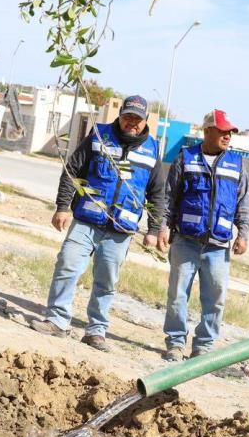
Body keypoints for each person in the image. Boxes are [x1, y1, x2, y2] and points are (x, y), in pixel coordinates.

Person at [30, 95, 165, 351]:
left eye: (137, 119)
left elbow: (158, 193)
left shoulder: (152, 150)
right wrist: (62, 207)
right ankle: (57, 320)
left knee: (106, 282)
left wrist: (154, 229)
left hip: (120, 229)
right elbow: (72, 170)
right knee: (67, 264)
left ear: (146, 120)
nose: (131, 123)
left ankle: (96, 331)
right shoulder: (99, 136)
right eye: (127, 117)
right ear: (120, 115)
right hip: (86, 220)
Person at [159, 109, 249, 361]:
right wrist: (163, 227)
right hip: (186, 241)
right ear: (207, 131)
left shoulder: (237, 164)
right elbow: (170, 197)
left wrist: (243, 234)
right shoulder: (185, 158)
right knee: (178, 295)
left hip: (218, 246)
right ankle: (175, 343)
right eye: (223, 131)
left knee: (215, 299)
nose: (228, 136)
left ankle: (204, 347)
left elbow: (243, 203)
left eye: (230, 133)